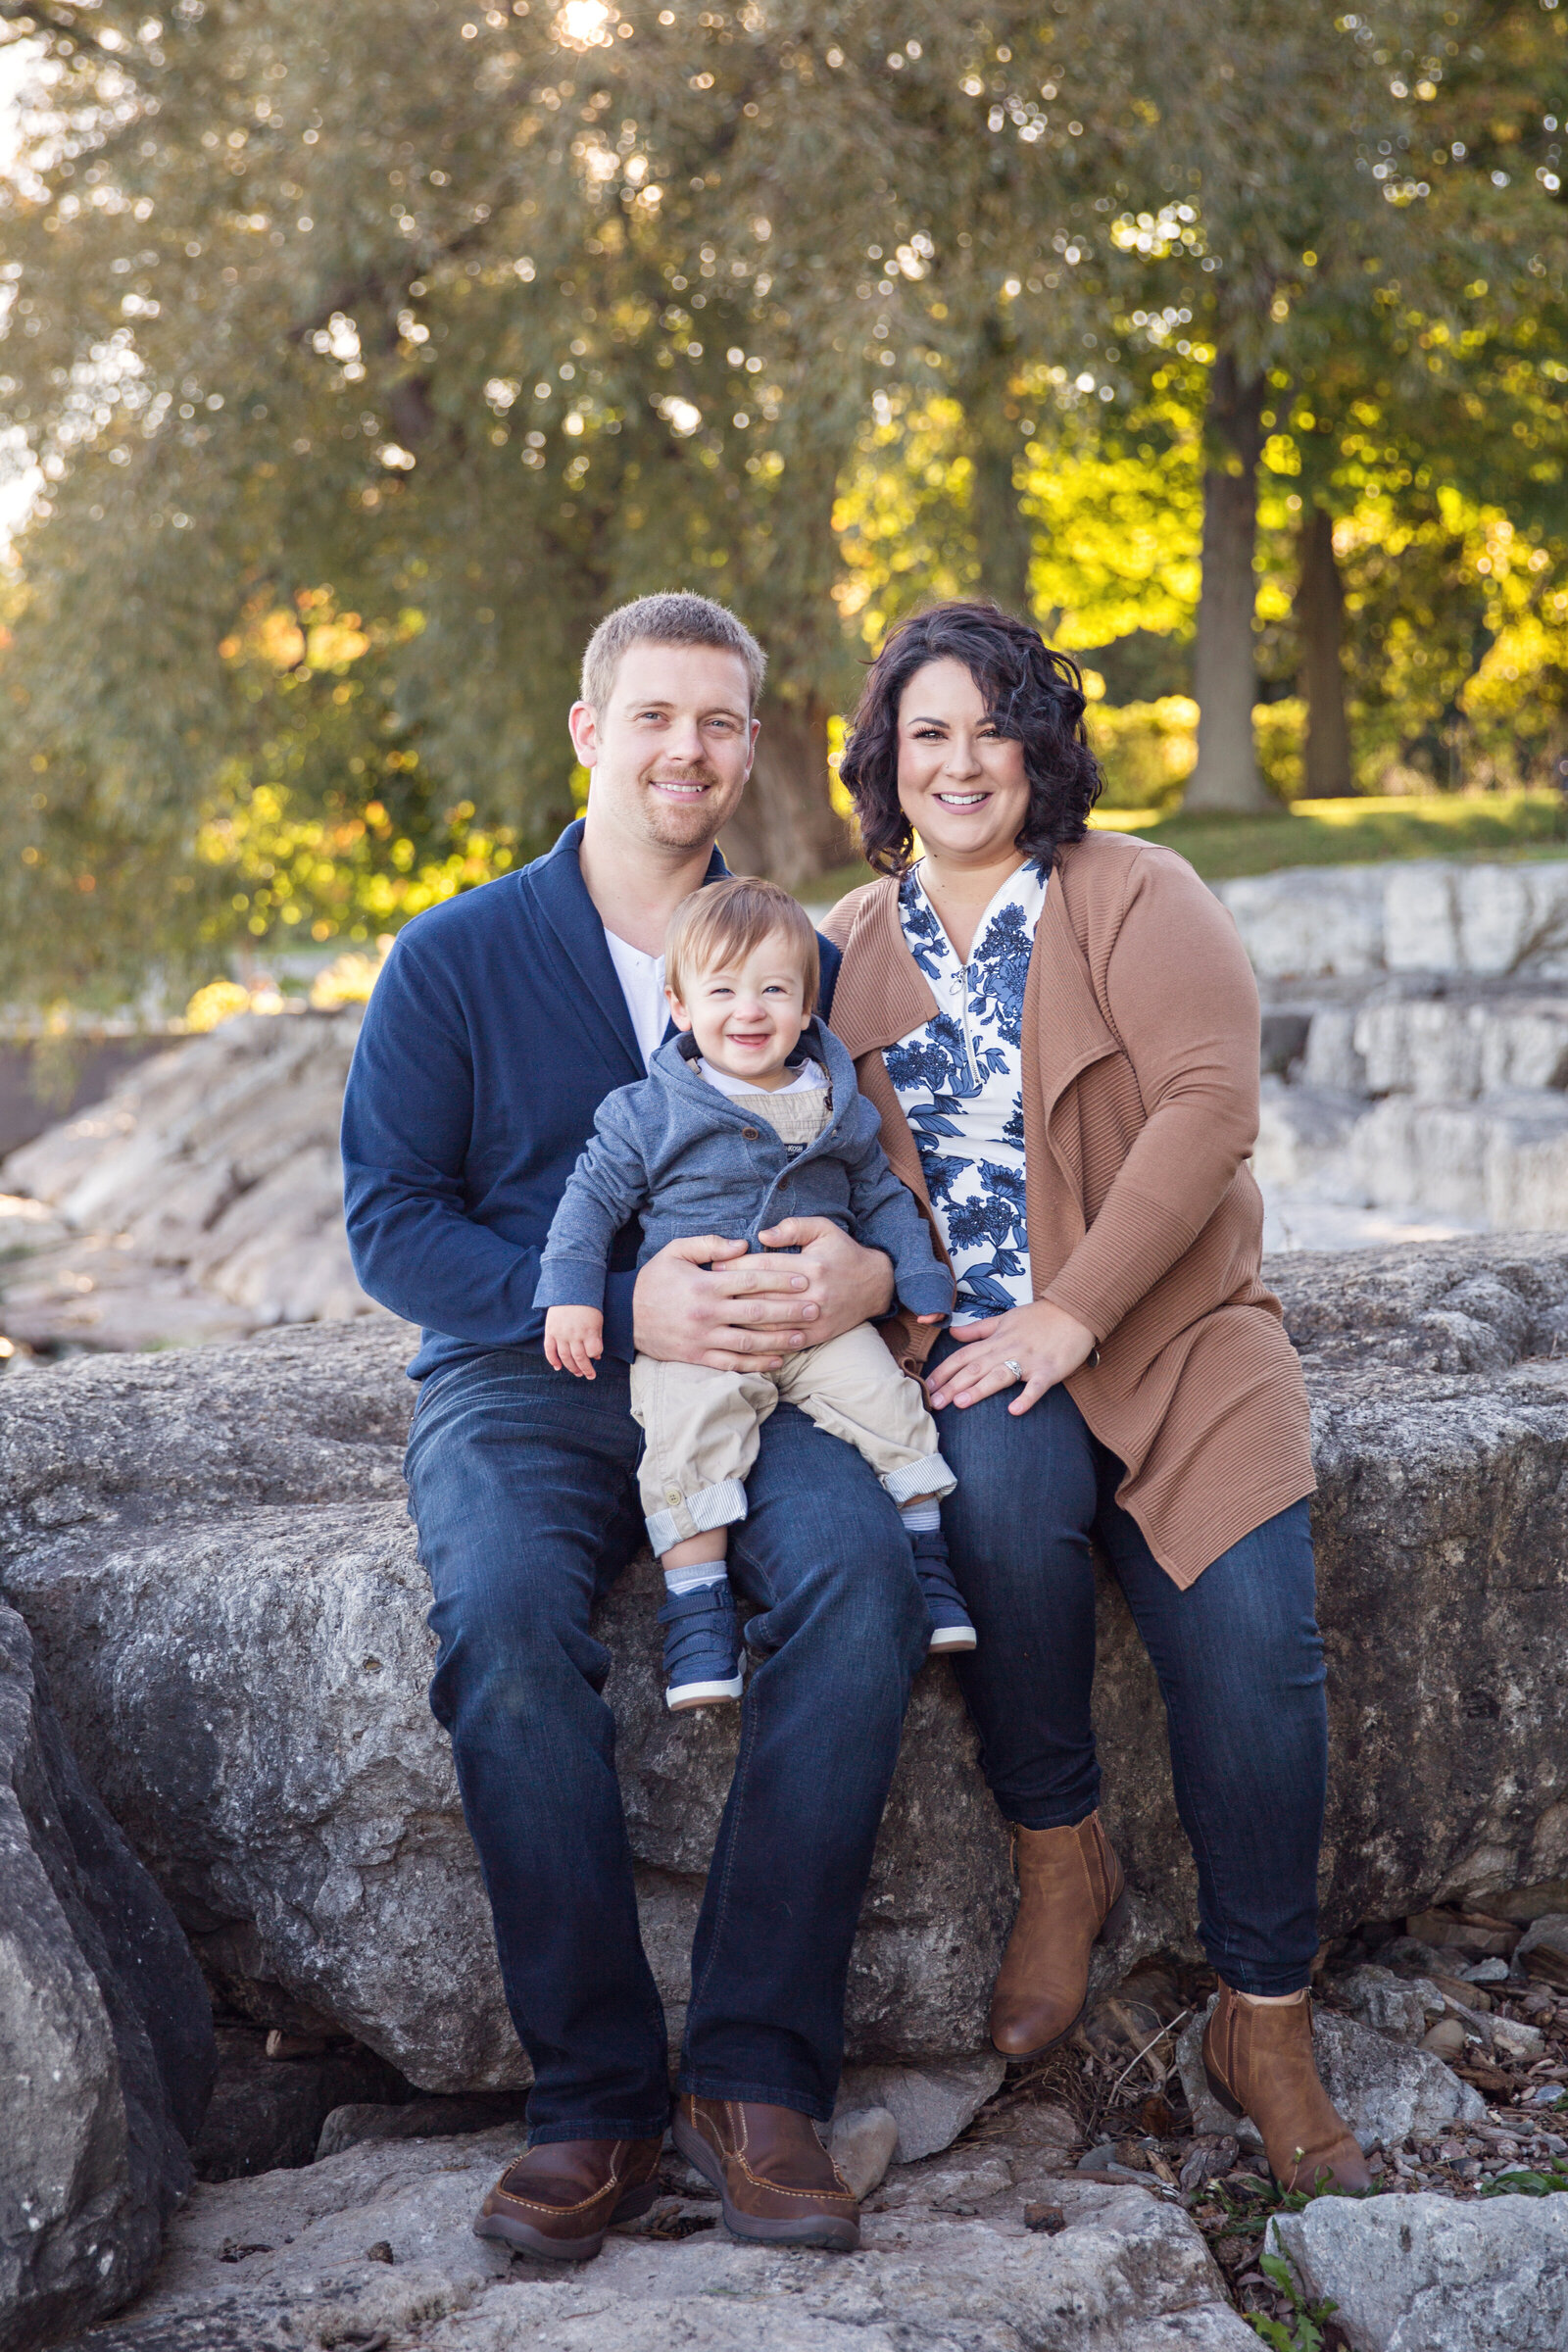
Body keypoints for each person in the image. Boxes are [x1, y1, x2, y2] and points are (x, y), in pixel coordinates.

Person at [341, 592, 930, 2262]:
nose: (689, 749)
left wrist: (862, 1271)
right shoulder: (450, 957)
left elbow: (883, 1185)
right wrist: (602, 1292)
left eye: (722, 722)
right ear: (592, 732)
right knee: (512, 1629)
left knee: (864, 1590)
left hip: (764, 1378)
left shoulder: (794, 952)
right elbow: (391, 1223)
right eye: (657, 716)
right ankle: (594, 2102)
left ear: (749, 748)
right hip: (528, 1385)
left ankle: (755, 2083)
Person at [824, 599, 1370, 2199]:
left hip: (1179, 1334)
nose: (961, 759)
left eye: (993, 724)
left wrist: (1073, 1312)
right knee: (985, 1498)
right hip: (980, 1358)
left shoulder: (1137, 895)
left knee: (1263, 1647)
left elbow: (1210, 1107)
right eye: (927, 732)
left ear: (1040, 743)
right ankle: (1061, 1855)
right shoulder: (848, 949)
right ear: (887, 761)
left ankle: (1265, 2028)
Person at [538, 872, 973, 1710]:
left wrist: (915, 1274)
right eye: (723, 990)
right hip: (700, 1325)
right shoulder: (649, 1111)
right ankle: (697, 1614)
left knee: (890, 1405)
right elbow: (589, 1201)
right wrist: (576, 1294)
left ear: (808, 1007)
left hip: (821, 1323)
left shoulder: (834, 1103)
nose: (750, 1010)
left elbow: (881, 1192)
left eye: (775, 989)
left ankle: (928, 1561)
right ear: (680, 1005)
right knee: (687, 1436)